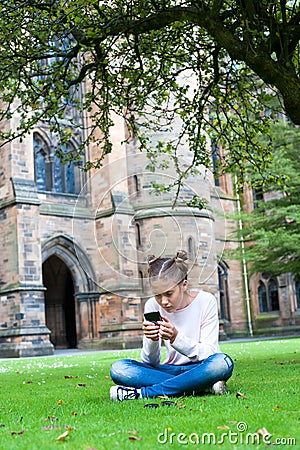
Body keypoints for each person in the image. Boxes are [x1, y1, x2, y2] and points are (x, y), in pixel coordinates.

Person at [110, 250, 234, 401]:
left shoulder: (206, 301)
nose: (163, 302)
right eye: (157, 295)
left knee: (222, 362)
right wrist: (152, 339)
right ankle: (199, 386)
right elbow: (151, 363)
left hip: (201, 367)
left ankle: (143, 394)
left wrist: (176, 337)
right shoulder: (152, 305)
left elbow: (210, 353)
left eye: (169, 294)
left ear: (184, 285)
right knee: (119, 368)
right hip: (168, 370)